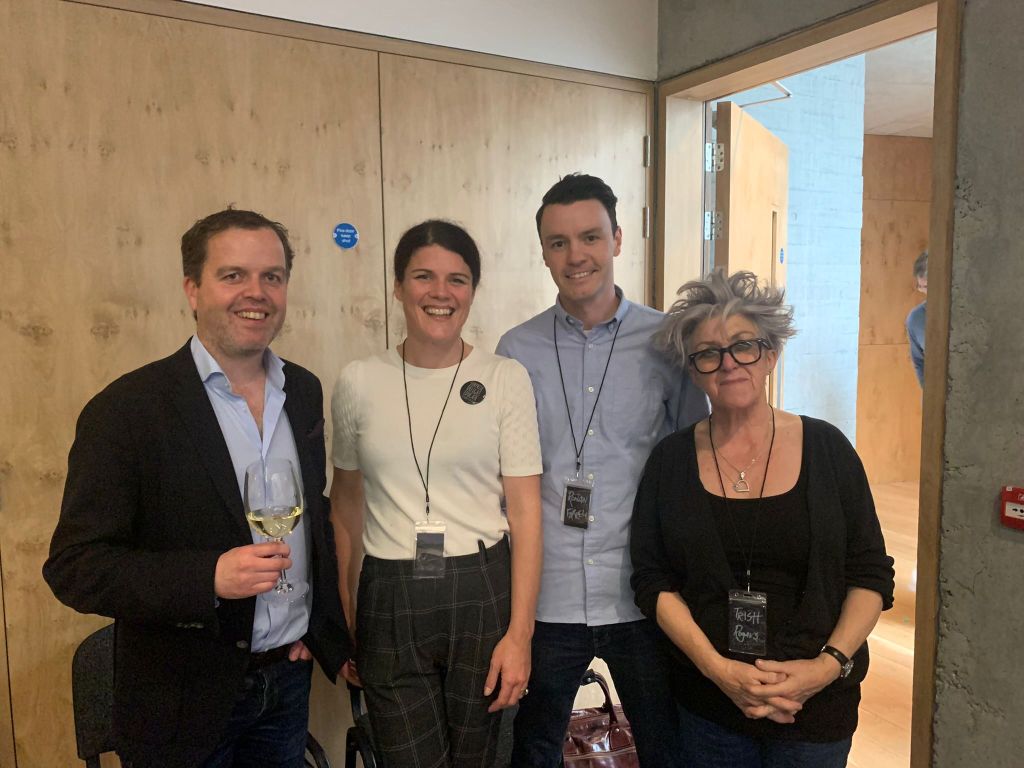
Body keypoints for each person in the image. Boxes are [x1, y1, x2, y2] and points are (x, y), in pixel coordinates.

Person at [43, 208, 352, 768]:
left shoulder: (303, 391)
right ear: (192, 289)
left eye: (272, 276)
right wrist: (208, 577)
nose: (256, 292)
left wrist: (315, 624)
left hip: (286, 684)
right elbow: (75, 567)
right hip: (181, 699)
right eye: (233, 275)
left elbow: (315, 515)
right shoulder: (128, 409)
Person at [630, 269, 895, 768]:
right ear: (694, 371)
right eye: (708, 353)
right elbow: (652, 580)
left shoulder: (828, 448)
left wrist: (826, 667)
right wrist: (718, 671)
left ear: (770, 354)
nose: (728, 363)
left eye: (743, 346)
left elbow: (870, 573)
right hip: (709, 704)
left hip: (816, 707)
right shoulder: (670, 461)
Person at [496, 173, 709, 767]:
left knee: (666, 748)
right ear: (544, 253)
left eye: (590, 237)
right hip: (548, 598)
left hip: (643, 595)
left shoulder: (668, 342)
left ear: (617, 238)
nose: (576, 255)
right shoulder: (515, 350)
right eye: (558, 242)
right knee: (533, 751)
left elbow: (694, 463)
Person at [330, 219, 543, 767]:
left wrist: (520, 636)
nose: (440, 292)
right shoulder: (358, 381)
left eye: (458, 279)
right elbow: (346, 504)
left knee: (479, 759)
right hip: (388, 593)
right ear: (398, 287)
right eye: (423, 276)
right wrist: (349, 615)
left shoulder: (505, 378)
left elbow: (525, 512)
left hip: (481, 589)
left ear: (473, 290)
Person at [906, 250, 928, 386]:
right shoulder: (916, 318)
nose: (926, 292)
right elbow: (919, 362)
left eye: (929, 286)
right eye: (922, 287)